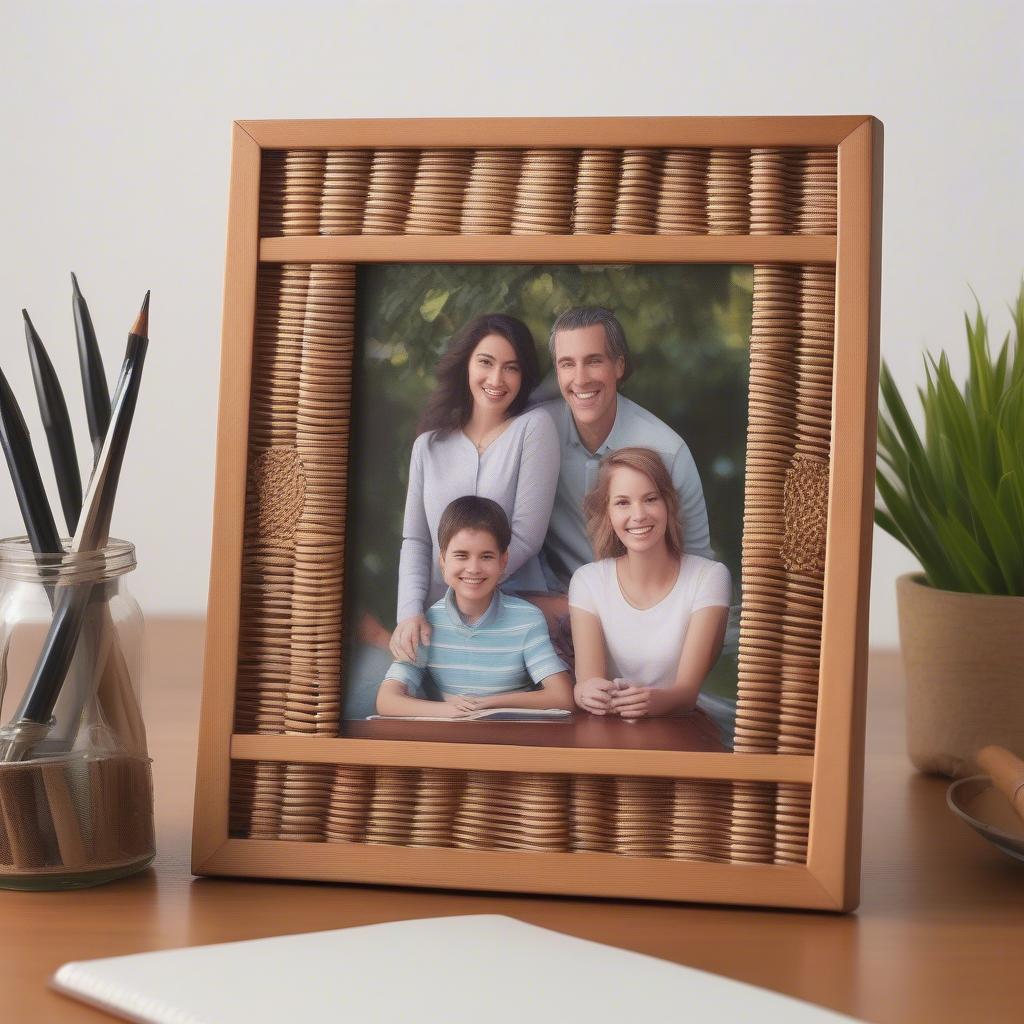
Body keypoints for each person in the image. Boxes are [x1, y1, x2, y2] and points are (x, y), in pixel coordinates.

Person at [390, 313, 560, 664]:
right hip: (434, 621)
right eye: (486, 362)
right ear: (466, 364)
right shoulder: (429, 445)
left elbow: (527, 535)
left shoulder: (533, 428)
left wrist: (468, 590)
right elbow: (416, 540)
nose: (497, 379)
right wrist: (409, 614)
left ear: (524, 375)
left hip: (513, 614)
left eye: (511, 368)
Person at [538, 306, 712, 593]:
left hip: (649, 608)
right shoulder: (537, 435)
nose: (580, 379)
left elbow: (698, 564)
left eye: (593, 361)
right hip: (559, 608)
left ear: (619, 366)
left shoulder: (668, 452)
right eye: (567, 364)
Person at [568, 447, 734, 740]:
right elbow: (588, 681)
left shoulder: (709, 577)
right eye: (622, 502)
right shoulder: (587, 581)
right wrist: (585, 692)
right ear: (607, 512)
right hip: (606, 737)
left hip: (682, 733)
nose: (638, 515)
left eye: (650, 499)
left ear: (668, 503)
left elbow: (686, 694)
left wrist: (649, 701)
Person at [377, 497, 574, 718]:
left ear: (503, 561)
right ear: (442, 561)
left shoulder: (527, 619)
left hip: (514, 740)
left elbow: (562, 697)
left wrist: (488, 704)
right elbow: (387, 701)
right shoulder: (425, 625)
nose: (473, 568)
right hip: (453, 742)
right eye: (461, 555)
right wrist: (449, 711)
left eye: (486, 556)